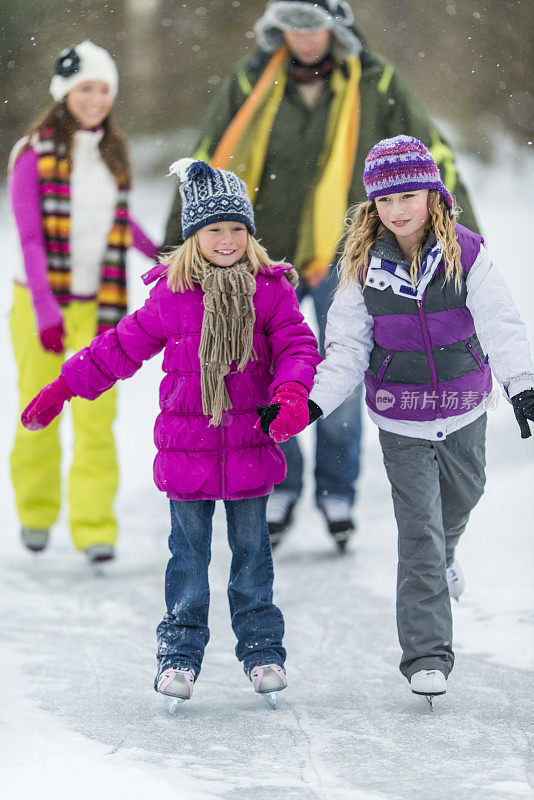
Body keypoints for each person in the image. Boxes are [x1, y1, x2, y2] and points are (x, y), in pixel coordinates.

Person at [163, 0, 480, 551]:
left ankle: (337, 491)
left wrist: (458, 233)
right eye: (294, 26)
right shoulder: (251, 79)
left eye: (314, 26)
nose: (305, 39)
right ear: (276, 28)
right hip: (260, 256)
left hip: (348, 252)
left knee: (341, 368)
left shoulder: (375, 80)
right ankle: (282, 482)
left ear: (336, 25)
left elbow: (432, 156)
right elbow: (206, 160)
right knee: (261, 371)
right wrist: (179, 245)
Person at [20, 159, 321, 703]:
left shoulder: (269, 290)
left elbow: (297, 346)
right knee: (189, 558)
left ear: (249, 234)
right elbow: (119, 347)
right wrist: (64, 387)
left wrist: (292, 393)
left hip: (252, 445)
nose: (227, 239)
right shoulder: (172, 295)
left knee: (253, 557)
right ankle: (179, 657)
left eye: (236, 229)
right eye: (214, 229)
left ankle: (262, 654)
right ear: (193, 237)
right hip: (188, 454)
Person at [303, 135, 534, 700]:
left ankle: (448, 553)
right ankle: (427, 656)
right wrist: (312, 402)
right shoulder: (360, 267)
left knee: (463, 498)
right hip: (401, 418)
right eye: (385, 201)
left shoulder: (467, 253)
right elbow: (348, 349)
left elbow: (501, 322)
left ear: (432, 194)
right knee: (419, 534)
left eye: (409, 195)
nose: (398, 210)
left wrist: (523, 385)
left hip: (464, 406)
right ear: (372, 207)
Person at [8, 40, 158, 564]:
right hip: (40, 304)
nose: (95, 99)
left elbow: (121, 221)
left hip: (100, 305)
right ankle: (36, 510)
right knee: (40, 406)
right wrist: (47, 310)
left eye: (103, 90)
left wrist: (164, 256)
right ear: (65, 92)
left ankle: (95, 525)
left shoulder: (112, 152)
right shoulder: (33, 154)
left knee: (98, 415)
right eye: (85, 89)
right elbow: (29, 237)